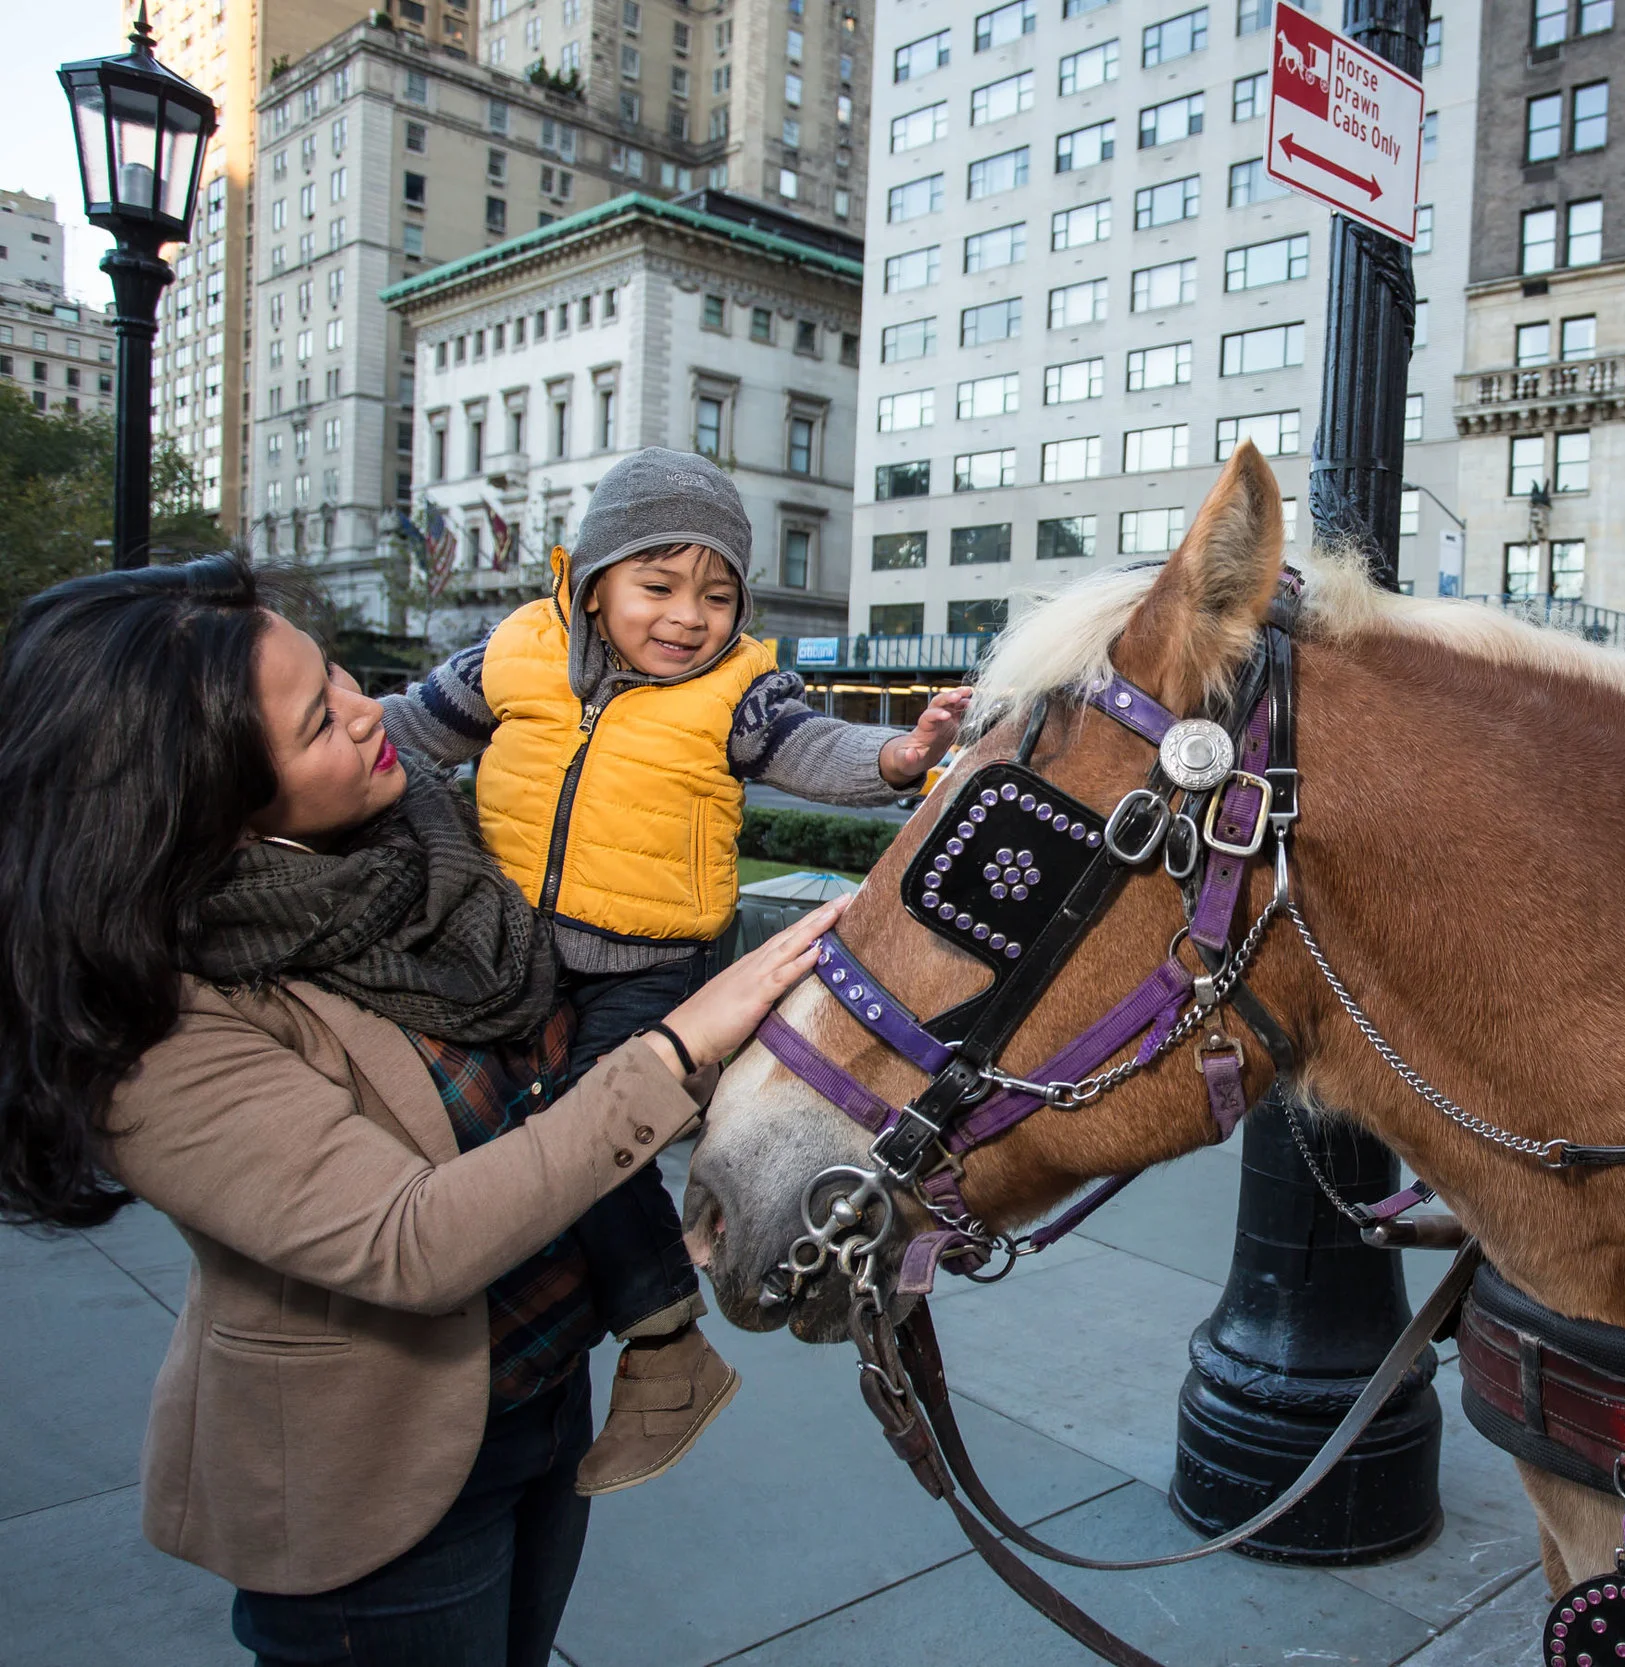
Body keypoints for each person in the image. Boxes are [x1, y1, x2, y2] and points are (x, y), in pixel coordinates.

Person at [0, 556, 844, 1665]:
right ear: (204, 792)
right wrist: (682, 1044)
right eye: (317, 723)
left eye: (341, 675)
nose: (367, 713)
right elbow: (413, 1240)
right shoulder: (155, 1017)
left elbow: (548, 1077)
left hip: (542, 1399)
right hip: (379, 1476)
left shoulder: (425, 849)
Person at [382, 448, 969, 1493]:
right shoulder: (513, 653)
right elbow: (403, 730)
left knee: (590, 1131)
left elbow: (808, 744)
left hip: (656, 967)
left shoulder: (737, 685)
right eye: (658, 587)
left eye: (716, 595)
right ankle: (533, 1326)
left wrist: (894, 758)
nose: (688, 617)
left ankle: (666, 1347)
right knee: (489, 1130)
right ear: (590, 579)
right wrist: (293, 733)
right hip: (512, 949)